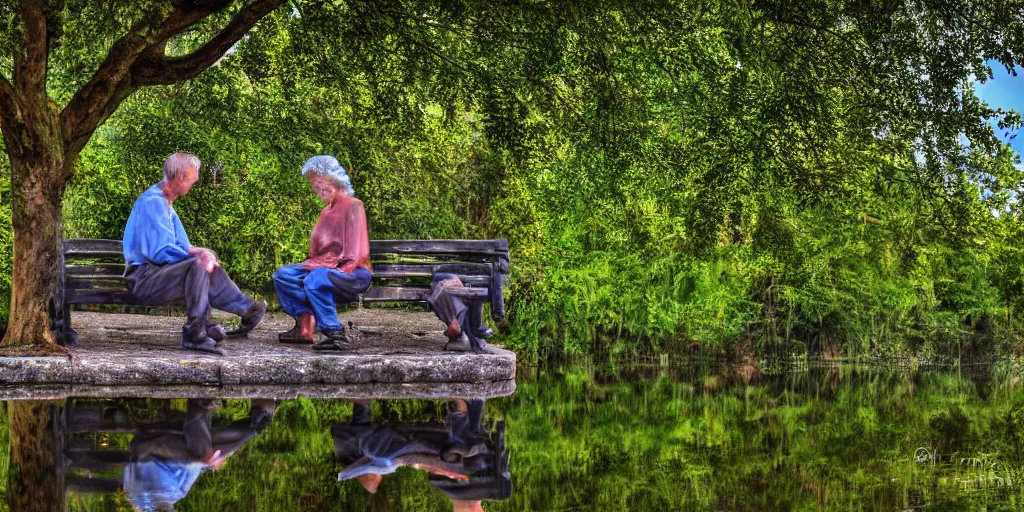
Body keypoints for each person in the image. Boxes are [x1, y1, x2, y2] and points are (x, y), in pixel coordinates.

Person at [122, 153, 267, 355]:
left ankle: (238, 312)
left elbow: (182, 245)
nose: (194, 182)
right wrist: (197, 259)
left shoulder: (166, 203)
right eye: (192, 179)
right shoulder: (152, 202)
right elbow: (160, 251)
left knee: (202, 261)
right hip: (143, 279)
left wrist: (203, 252)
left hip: (158, 274)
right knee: (198, 265)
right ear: (180, 177)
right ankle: (195, 332)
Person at [273, 155, 372, 350]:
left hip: (353, 272)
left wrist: (332, 269)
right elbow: (315, 254)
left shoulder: (353, 205)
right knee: (283, 276)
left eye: (317, 183)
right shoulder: (326, 211)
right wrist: (313, 267)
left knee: (316, 280)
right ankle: (304, 326)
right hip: (324, 267)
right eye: (312, 185)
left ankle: (334, 332)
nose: (315, 190)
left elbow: (356, 252)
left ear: (330, 179)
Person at [123, 398, 276, 511]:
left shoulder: (142, 496)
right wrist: (206, 462)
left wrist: (201, 461)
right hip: (181, 441)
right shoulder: (178, 493)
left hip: (150, 443)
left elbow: (150, 455)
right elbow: (195, 468)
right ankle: (258, 422)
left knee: (201, 453)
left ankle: (200, 404)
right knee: (210, 450)